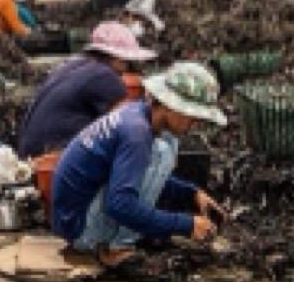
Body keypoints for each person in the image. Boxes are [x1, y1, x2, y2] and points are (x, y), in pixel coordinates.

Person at [51, 62, 228, 270]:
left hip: (78, 213)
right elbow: (120, 204)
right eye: (194, 116)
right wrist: (186, 225)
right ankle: (115, 247)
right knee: (162, 151)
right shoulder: (137, 135)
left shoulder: (136, 114)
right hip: (81, 227)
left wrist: (191, 194)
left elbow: (139, 175)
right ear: (171, 105)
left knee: (167, 143)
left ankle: (120, 238)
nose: (195, 124)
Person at [18, 22, 156, 159]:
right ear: (116, 57)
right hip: (52, 156)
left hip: (29, 152)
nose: (126, 69)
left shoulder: (71, 64)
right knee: (158, 148)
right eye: (126, 62)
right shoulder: (103, 75)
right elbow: (131, 124)